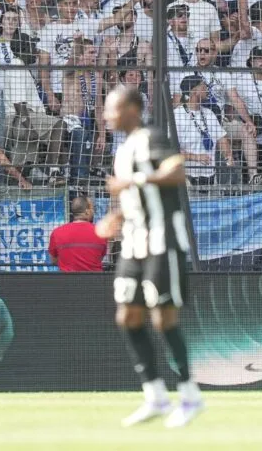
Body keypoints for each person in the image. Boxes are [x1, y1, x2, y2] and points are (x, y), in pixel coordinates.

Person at [96, 85, 204, 428]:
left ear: (131, 109)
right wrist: (116, 215)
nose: (106, 115)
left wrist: (133, 182)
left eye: (112, 108)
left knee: (163, 319)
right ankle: (155, 395)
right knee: (127, 315)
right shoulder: (122, 149)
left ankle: (189, 395)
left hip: (163, 240)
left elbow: (177, 171)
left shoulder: (152, 137)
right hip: (133, 243)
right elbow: (133, 197)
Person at [48, 194, 108, 272]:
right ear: (87, 211)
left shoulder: (57, 232)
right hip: (95, 281)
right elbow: (99, 257)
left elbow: (53, 260)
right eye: (93, 208)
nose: (93, 212)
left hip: (67, 282)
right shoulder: (101, 232)